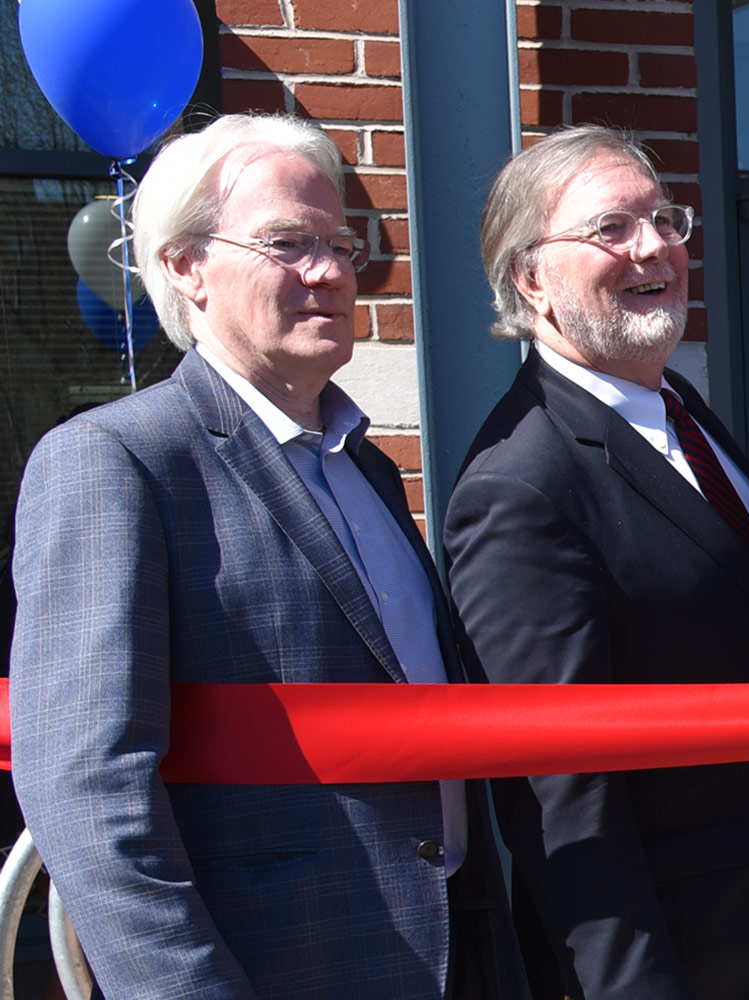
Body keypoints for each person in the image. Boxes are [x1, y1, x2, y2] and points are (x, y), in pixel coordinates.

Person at [9, 113, 527, 999]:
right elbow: (90, 793)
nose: (328, 270)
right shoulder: (115, 462)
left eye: (338, 243)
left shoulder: (362, 463)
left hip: (456, 946)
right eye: (288, 243)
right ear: (184, 266)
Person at [442, 125, 749, 1000]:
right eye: (612, 229)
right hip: (695, 960)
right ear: (530, 278)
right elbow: (563, 798)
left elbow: (744, 565)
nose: (655, 248)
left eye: (665, 220)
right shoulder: (521, 486)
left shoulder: (674, 407)